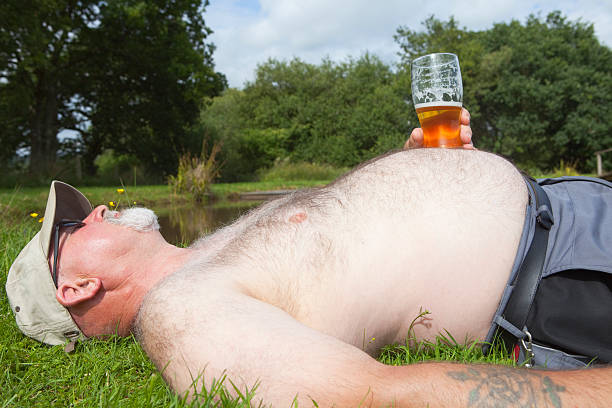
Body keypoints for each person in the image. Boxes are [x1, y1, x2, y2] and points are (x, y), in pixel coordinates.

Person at [6, 109, 612, 407]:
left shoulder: (209, 251)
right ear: (76, 288)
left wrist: (427, 169)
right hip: (569, 270)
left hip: (569, 201)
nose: (95, 212)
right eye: (71, 226)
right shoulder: (182, 312)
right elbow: (367, 396)